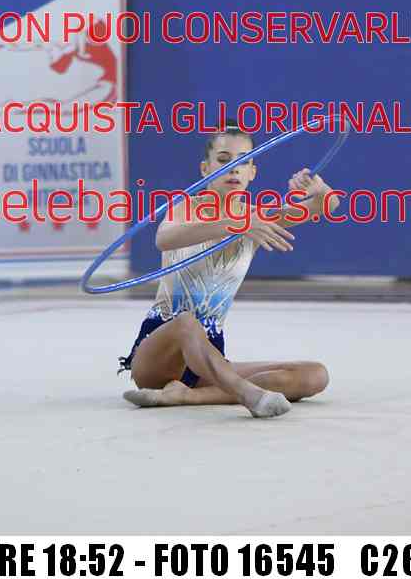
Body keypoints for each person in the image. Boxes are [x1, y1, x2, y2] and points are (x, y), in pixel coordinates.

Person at [120, 123, 340, 418]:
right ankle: (247, 394)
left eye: (243, 161)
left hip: (209, 357)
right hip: (160, 352)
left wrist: (319, 189)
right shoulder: (186, 208)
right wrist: (238, 224)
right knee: (186, 322)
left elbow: (325, 206)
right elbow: (164, 238)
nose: (234, 168)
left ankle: (187, 396)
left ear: (252, 172)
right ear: (205, 168)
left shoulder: (256, 219)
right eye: (224, 160)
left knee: (313, 375)